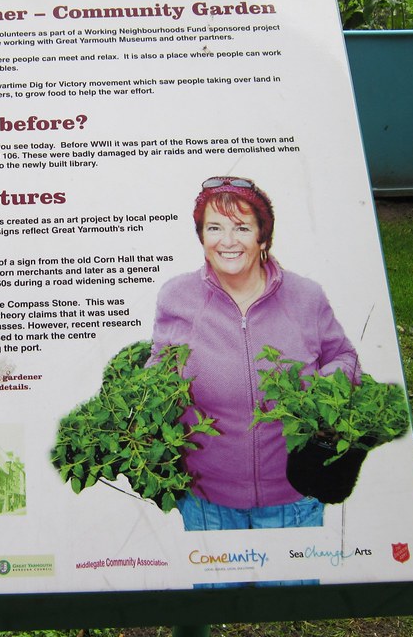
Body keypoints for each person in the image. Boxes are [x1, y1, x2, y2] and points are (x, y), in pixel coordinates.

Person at [148, 176, 360, 532]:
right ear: (201, 236)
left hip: (293, 502)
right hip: (207, 504)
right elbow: (158, 368)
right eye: (214, 227)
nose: (227, 241)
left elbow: (343, 356)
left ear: (263, 235)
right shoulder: (177, 297)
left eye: (242, 227)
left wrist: (329, 385)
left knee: (292, 590)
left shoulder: (306, 297)